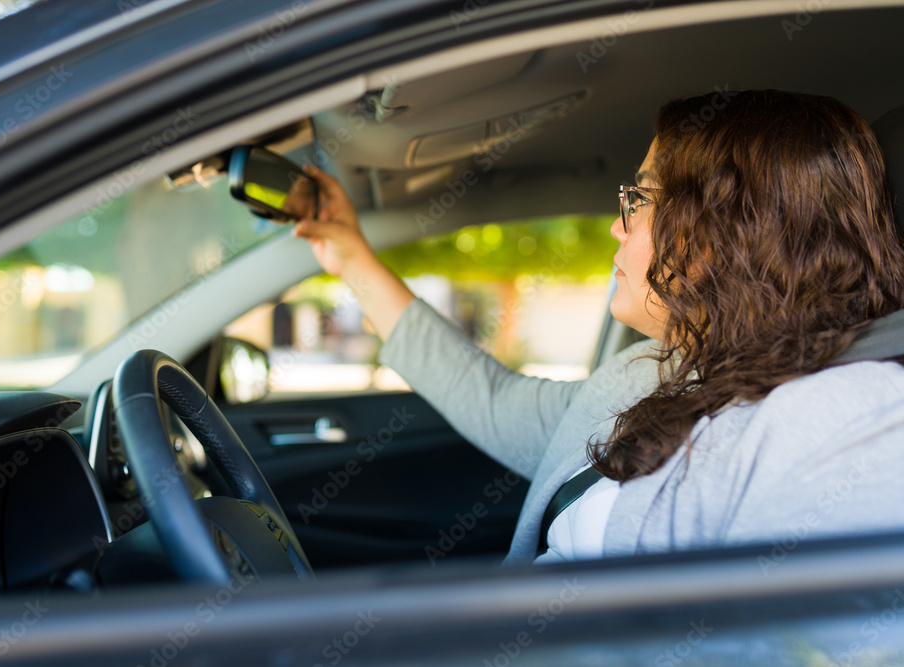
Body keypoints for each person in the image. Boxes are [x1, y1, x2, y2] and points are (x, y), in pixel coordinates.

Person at [291, 89, 904, 564]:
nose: (618, 224)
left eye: (639, 200)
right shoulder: (654, 370)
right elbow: (497, 404)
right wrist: (350, 255)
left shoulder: (848, 418)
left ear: (720, 233)